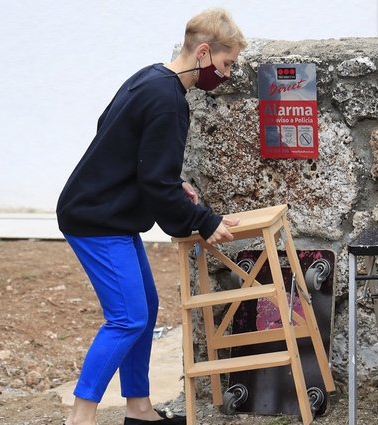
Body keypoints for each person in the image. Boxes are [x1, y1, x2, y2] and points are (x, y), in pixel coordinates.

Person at [56, 8, 247, 425]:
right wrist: (204, 220)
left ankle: (139, 410)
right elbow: (156, 186)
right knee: (127, 318)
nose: (227, 75)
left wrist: (169, 187)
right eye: (226, 63)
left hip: (106, 213)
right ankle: (80, 416)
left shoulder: (150, 78)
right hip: (95, 219)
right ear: (202, 52)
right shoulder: (169, 102)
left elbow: (120, 139)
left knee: (145, 306)